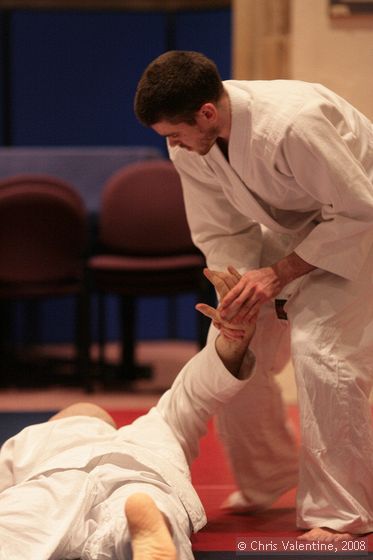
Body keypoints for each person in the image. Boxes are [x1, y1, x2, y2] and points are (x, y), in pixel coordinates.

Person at [134, 50, 373, 542]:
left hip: (358, 229)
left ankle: (341, 514)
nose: (172, 145)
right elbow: (221, 230)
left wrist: (278, 274)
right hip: (294, 230)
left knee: (320, 350)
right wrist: (239, 290)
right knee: (233, 342)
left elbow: (356, 211)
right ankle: (267, 477)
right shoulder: (193, 147)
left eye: (174, 133)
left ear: (207, 113)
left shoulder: (294, 123)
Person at [0, 268, 257, 560]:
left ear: (62, 421)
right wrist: (234, 342)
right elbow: (199, 392)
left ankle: (149, 530)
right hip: (141, 477)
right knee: (145, 504)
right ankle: (150, 533)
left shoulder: (36, 441)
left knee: (17, 525)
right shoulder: (156, 428)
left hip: (55, 482)